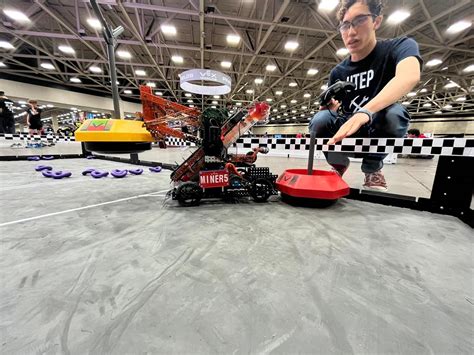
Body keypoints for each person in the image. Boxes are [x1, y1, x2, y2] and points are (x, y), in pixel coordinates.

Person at [309, 0, 422, 191]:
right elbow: (329, 111)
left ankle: (372, 168)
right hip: (347, 128)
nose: (351, 32)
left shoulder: (400, 46)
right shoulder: (338, 72)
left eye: (359, 20)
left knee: (395, 114)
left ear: (376, 21)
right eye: (345, 25)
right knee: (319, 120)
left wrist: (365, 112)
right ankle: (338, 164)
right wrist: (328, 110)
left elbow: (409, 76)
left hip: (377, 125)